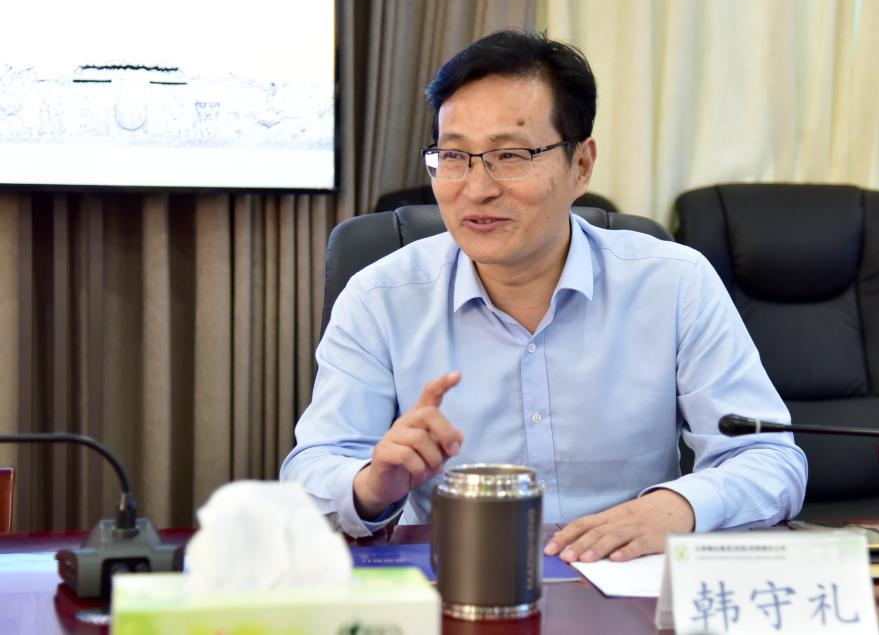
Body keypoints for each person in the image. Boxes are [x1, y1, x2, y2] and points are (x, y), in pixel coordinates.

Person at [281, 29, 807, 563]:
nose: (477, 188)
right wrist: (372, 485)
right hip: (459, 578)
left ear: (581, 166)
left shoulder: (674, 284)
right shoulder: (381, 297)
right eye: (454, 155)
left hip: (624, 581)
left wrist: (679, 507)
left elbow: (770, 459)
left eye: (510, 155)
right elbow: (310, 471)